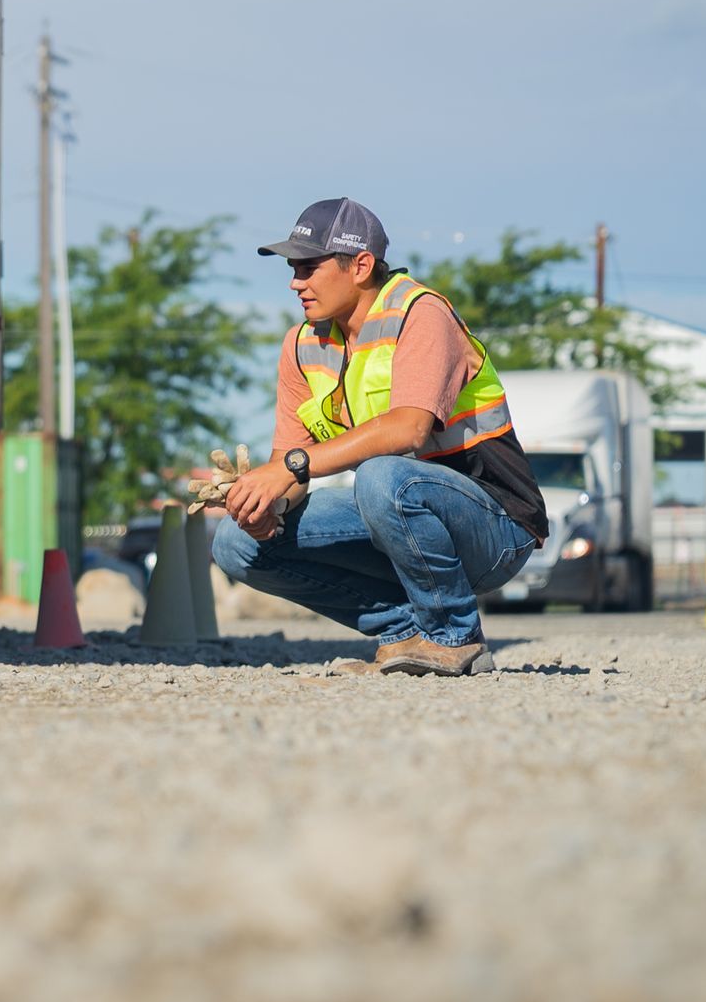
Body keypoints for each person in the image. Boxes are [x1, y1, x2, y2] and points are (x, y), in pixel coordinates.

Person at [209, 197, 547, 675]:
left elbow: (407, 430)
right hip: (394, 511)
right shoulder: (302, 345)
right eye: (292, 269)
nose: (294, 282)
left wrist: (288, 469)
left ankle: (454, 634)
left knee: (382, 475)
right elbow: (289, 462)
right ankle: (408, 632)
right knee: (234, 543)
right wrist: (266, 505)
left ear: (361, 265)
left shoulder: (420, 313)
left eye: (308, 267)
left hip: (496, 528)